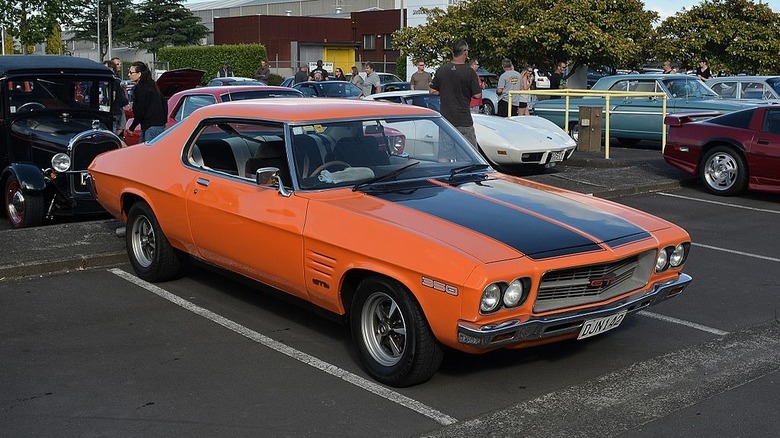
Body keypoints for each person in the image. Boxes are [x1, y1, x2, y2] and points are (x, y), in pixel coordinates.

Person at [429, 40, 481, 148]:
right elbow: (477, 95)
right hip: (463, 120)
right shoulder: (470, 72)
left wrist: (445, 91)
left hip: (446, 119)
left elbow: (432, 91)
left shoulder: (442, 70)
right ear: (465, 52)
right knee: (469, 153)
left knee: (445, 154)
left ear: (453, 52)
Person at [126, 61, 166, 143]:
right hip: (157, 126)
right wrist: (163, 121)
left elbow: (140, 110)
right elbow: (164, 103)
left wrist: (132, 127)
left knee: (147, 153)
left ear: (139, 74)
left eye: (131, 72)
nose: (129, 75)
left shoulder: (140, 88)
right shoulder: (153, 86)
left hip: (149, 128)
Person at [103, 61, 128, 137]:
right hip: (108, 112)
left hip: (113, 112)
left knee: (112, 132)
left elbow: (112, 97)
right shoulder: (100, 82)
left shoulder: (115, 82)